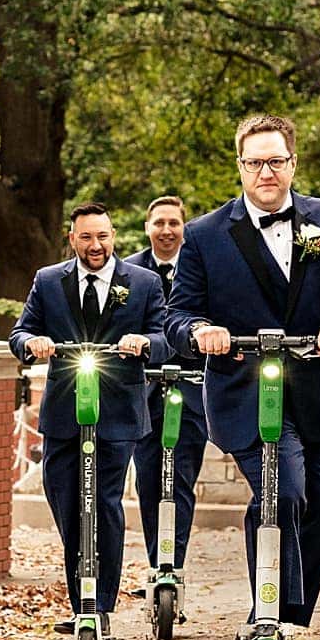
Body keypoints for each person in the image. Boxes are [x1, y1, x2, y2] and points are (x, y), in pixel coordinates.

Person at [166, 115, 320, 640]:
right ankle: (273, 619)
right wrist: (199, 332)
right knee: (281, 491)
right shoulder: (206, 235)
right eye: (255, 162)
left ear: (292, 163)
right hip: (247, 391)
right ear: (240, 166)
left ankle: (291, 622)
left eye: (276, 160)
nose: (266, 171)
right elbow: (178, 313)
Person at [9, 203, 168, 635]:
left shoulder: (144, 283)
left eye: (102, 237)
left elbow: (164, 337)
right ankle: (82, 592)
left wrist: (144, 342)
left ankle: (98, 608)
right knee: (67, 502)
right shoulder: (48, 281)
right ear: (72, 238)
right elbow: (18, 334)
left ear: (113, 236)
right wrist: (33, 343)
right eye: (86, 237)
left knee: (104, 504)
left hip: (118, 411)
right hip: (64, 411)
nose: (95, 246)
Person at [124, 196, 210, 588]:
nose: (167, 230)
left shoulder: (200, 266)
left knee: (180, 480)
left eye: (174, 223)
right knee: (148, 479)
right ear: (148, 228)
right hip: (142, 390)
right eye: (159, 222)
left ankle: (172, 565)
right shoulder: (128, 272)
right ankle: (155, 561)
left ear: (184, 228)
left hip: (191, 390)